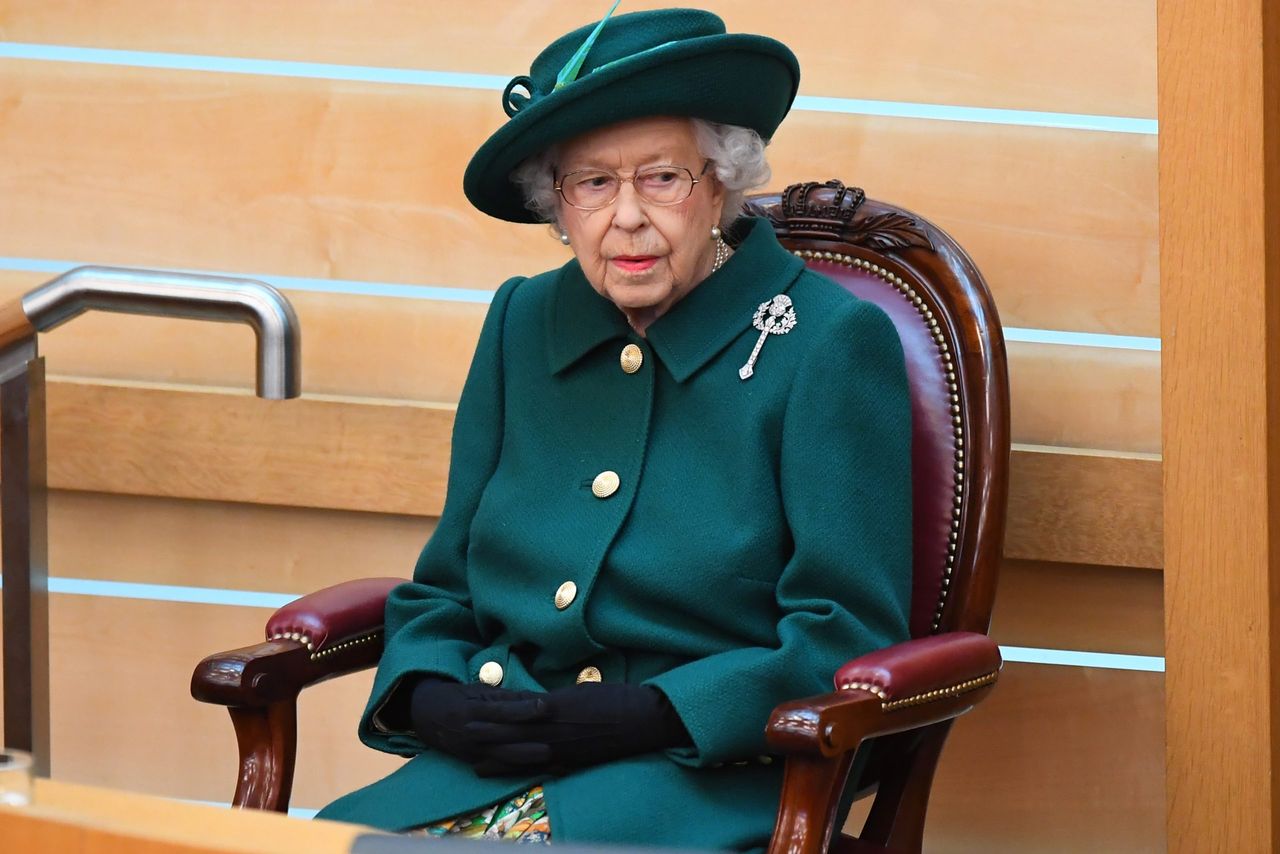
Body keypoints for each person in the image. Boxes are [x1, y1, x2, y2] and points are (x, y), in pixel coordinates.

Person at [317, 7, 912, 851]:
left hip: (701, 782)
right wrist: (430, 695)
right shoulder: (523, 320)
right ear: (556, 206)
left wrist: (647, 714)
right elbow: (447, 586)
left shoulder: (826, 342)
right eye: (593, 183)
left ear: (721, 182)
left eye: (661, 177)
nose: (625, 217)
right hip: (490, 760)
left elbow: (847, 635)